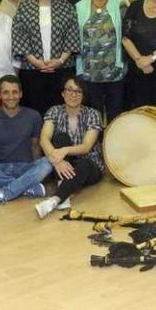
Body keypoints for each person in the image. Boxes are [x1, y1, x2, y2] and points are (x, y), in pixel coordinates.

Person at [0, 75, 53, 207]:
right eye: (6, 92)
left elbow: (35, 146)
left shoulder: (34, 116)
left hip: (26, 167)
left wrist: (35, 169)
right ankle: (25, 188)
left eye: (15, 92)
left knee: (48, 162)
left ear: (21, 94)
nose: (11, 96)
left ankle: (1, 194)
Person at [11, 0, 80, 116]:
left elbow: (72, 36)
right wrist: (35, 61)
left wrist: (60, 60)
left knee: (61, 112)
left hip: (62, 70)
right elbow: (19, 36)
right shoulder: (24, 8)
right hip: (32, 71)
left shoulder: (66, 8)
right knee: (34, 112)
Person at [34, 76, 104, 219]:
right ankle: (64, 193)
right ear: (62, 93)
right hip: (62, 163)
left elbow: (86, 147)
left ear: (83, 96)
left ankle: (55, 200)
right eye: (69, 90)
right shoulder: (54, 111)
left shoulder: (93, 114)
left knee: (84, 164)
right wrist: (58, 161)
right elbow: (44, 139)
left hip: (90, 166)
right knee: (60, 138)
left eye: (78, 91)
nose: (73, 94)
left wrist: (64, 151)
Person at [75, 0, 127, 123]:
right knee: (93, 115)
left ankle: (113, 145)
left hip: (115, 70)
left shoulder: (120, 5)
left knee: (116, 114)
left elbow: (127, 35)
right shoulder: (78, 6)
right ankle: (94, 145)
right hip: (89, 71)